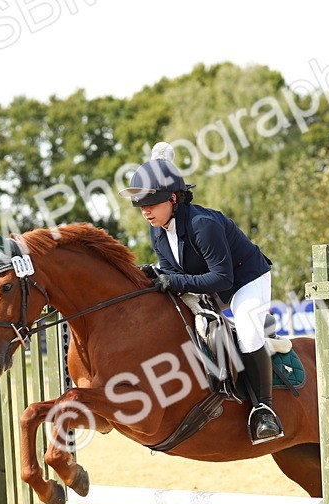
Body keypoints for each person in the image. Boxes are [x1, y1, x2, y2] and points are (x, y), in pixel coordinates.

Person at [118, 142, 282, 445]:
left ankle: (264, 410)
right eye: (141, 207)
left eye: (151, 204)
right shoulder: (158, 228)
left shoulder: (203, 225)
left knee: (246, 330)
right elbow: (174, 274)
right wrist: (158, 276)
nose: (145, 212)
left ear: (174, 198)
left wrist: (174, 281)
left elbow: (221, 279)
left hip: (245, 280)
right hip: (209, 280)